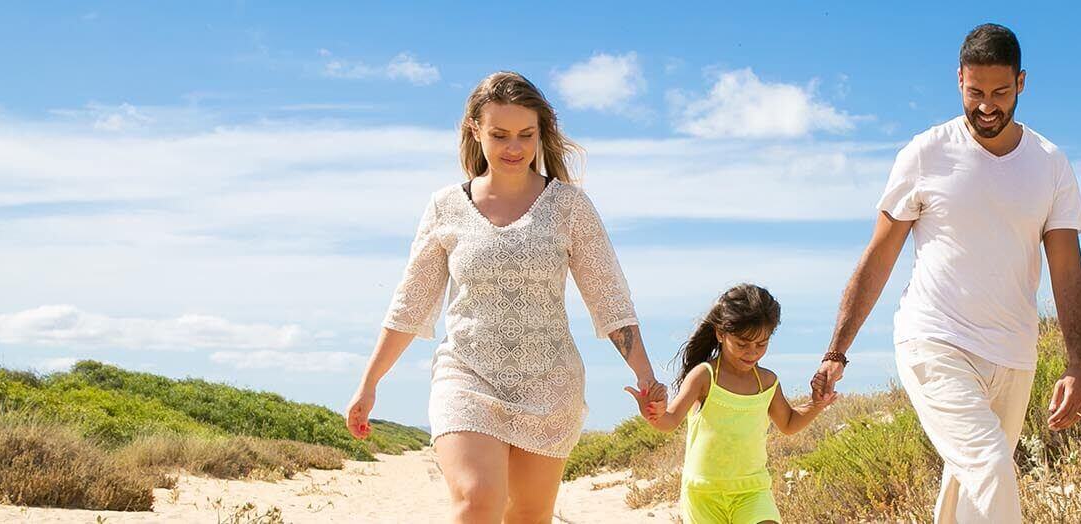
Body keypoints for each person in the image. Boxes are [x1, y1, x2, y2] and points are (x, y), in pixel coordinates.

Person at [343, 71, 666, 524]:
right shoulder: (445, 207)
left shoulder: (570, 206)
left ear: (541, 133)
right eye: (499, 135)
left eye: (525, 135)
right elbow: (410, 303)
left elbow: (609, 298)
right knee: (478, 500)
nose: (513, 147)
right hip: (467, 374)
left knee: (528, 517)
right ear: (475, 131)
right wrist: (369, 382)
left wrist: (646, 376)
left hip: (549, 382)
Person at [809, 23, 1081, 523]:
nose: (987, 106)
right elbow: (879, 255)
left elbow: (1067, 269)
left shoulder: (1050, 164)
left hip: (1013, 351)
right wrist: (838, 349)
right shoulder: (925, 154)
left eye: (1001, 93)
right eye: (975, 92)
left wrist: (1078, 364)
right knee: (989, 467)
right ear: (958, 79)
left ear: (1022, 83)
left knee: (971, 486)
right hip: (934, 339)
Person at [634, 284, 838, 524]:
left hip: (752, 491)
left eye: (761, 344)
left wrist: (816, 405)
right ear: (721, 334)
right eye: (742, 344)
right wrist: (653, 412)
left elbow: (789, 423)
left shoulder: (767, 382)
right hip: (703, 494)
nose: (752, 352)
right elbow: (669, 421)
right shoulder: (704, 376)